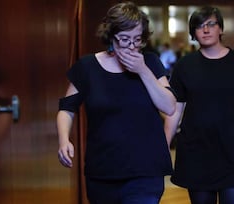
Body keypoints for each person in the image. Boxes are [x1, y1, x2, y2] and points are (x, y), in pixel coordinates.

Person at [56, 2, 176, 204]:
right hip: (102, 170)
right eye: (124, 39)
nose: (131, 46)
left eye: (137, 40)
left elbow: (169, 106)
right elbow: (67, 108)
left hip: (145, 170)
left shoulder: (151, 62)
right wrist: (63, 139)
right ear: (111, 36)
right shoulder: (87, 67)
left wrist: (143, 71)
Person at [164, 6, 234, 204]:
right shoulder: (185, 65)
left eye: (211, 24)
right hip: (197, 151)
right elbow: (175, 109)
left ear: (220, 29)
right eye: (199, 26)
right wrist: (163, 145)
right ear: (193, 33)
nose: (206, 30)